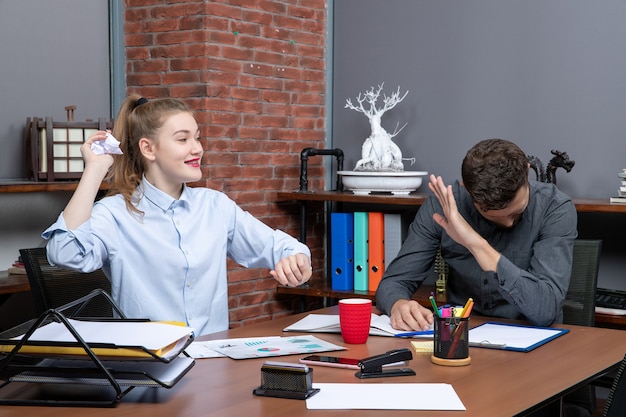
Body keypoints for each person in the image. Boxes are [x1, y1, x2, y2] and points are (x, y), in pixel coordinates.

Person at [43, 95, 312, 336]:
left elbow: (280, 247)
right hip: (148, 371)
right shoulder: (116, 213)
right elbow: (63, 252)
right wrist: (95, 170)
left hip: (210, 364)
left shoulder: (215, 206)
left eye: (197, 137)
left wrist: (296, 260)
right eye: (183, 139)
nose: (197, 148)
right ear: (149, 149)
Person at [376, 138, 578, 332]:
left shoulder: (555, 208)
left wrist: (474, 243)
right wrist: (398, 304)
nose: (508, 223)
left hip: (536, 342)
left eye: (515, 213)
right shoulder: (444, 206)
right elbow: (393, 283)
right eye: (494, 216)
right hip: (462, 338)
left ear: (527, 172)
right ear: (467, 189)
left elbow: (546, 310)